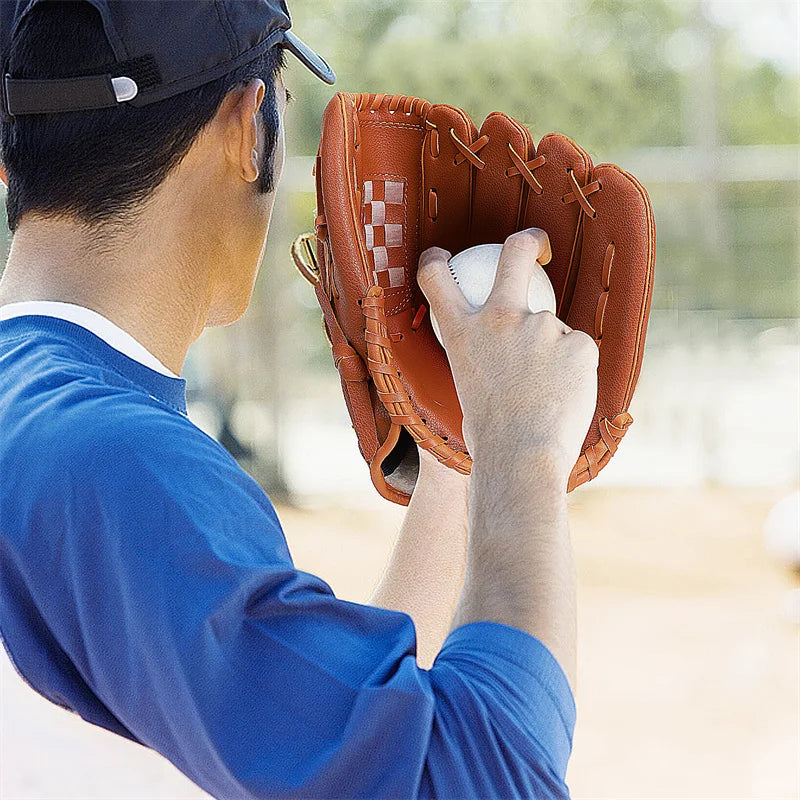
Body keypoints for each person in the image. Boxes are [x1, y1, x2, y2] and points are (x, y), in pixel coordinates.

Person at [0, 1, 598, 798]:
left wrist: (462, 450)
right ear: (250, 128)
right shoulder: (111, 461)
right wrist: (523, 447)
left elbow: (329, 734)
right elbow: (480, 780)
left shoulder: (48, 425)